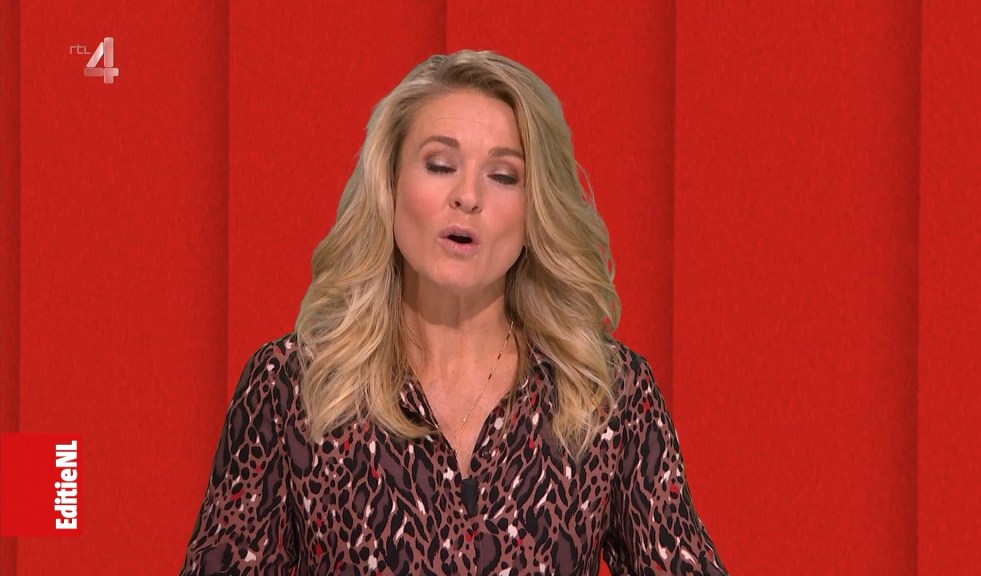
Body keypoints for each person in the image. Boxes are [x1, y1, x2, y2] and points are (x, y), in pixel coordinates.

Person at [180, 49, 727, 575]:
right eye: (440, 165)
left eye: (503, 175)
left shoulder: (608, 395)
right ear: (390, 186)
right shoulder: (291, 388)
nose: (468, 196)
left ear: (535, 209)